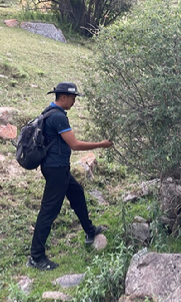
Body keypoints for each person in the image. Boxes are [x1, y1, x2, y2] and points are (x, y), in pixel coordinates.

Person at [27, 82, 113, 270]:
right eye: (73, 98)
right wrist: (101, 144)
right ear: (63, 97)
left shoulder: (49, 111)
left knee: (77, 194)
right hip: (56, 169)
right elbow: (74, 144)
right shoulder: (58, 117)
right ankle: (36, 257)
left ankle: (90, 231)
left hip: (58, 168)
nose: (74, 102)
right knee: (49, 211)